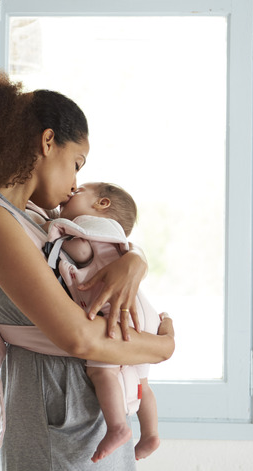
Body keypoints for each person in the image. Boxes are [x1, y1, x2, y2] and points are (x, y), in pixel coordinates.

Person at [0, 71, 174, 470]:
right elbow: (77, 335)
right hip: (58, 407)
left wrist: (134, 259)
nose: (77, 183)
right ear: (47, 142)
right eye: (77, 163)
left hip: (89, 405)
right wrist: (162, 348)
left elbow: (92, 245)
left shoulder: (33, 216)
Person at [48, 182, 162, 462]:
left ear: (101, 204)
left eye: (80, 191)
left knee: (102, 372)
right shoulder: (116, 237)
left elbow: (82, 252)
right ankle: (150, 434)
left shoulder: (85, 228)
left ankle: (118, 427)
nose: (72, 188)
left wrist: (58, 243)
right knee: (142, 381)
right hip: (143, 312)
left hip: (118, 313)